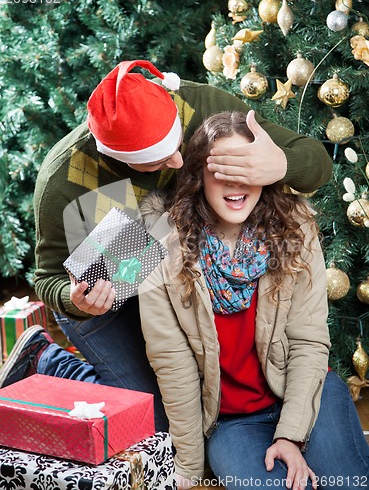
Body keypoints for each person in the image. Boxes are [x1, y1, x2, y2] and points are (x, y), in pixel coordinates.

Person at [0, 60, 332, 432]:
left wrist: (281, 162)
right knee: (152, 423)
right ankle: (48, 360)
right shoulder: (64, 183)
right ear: (119, 157)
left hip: (172, 281)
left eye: (177, 144)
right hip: (108, 297)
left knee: (197, 406)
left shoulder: (201, 107)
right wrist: (75, 299)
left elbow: (318, 162)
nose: (178, 161)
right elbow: (48, 279)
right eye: (158, 161)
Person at [138, 112, 369, 489]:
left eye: (245, 168)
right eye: (221, 169)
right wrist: (191, 469)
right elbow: (173, 366)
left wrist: (290, 435)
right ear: (198, 175)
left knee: (348, 483)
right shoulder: (163, 248)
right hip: (233, 422)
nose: (235, 183)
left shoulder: (297, 229)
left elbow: (309, 342)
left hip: (307, 393)